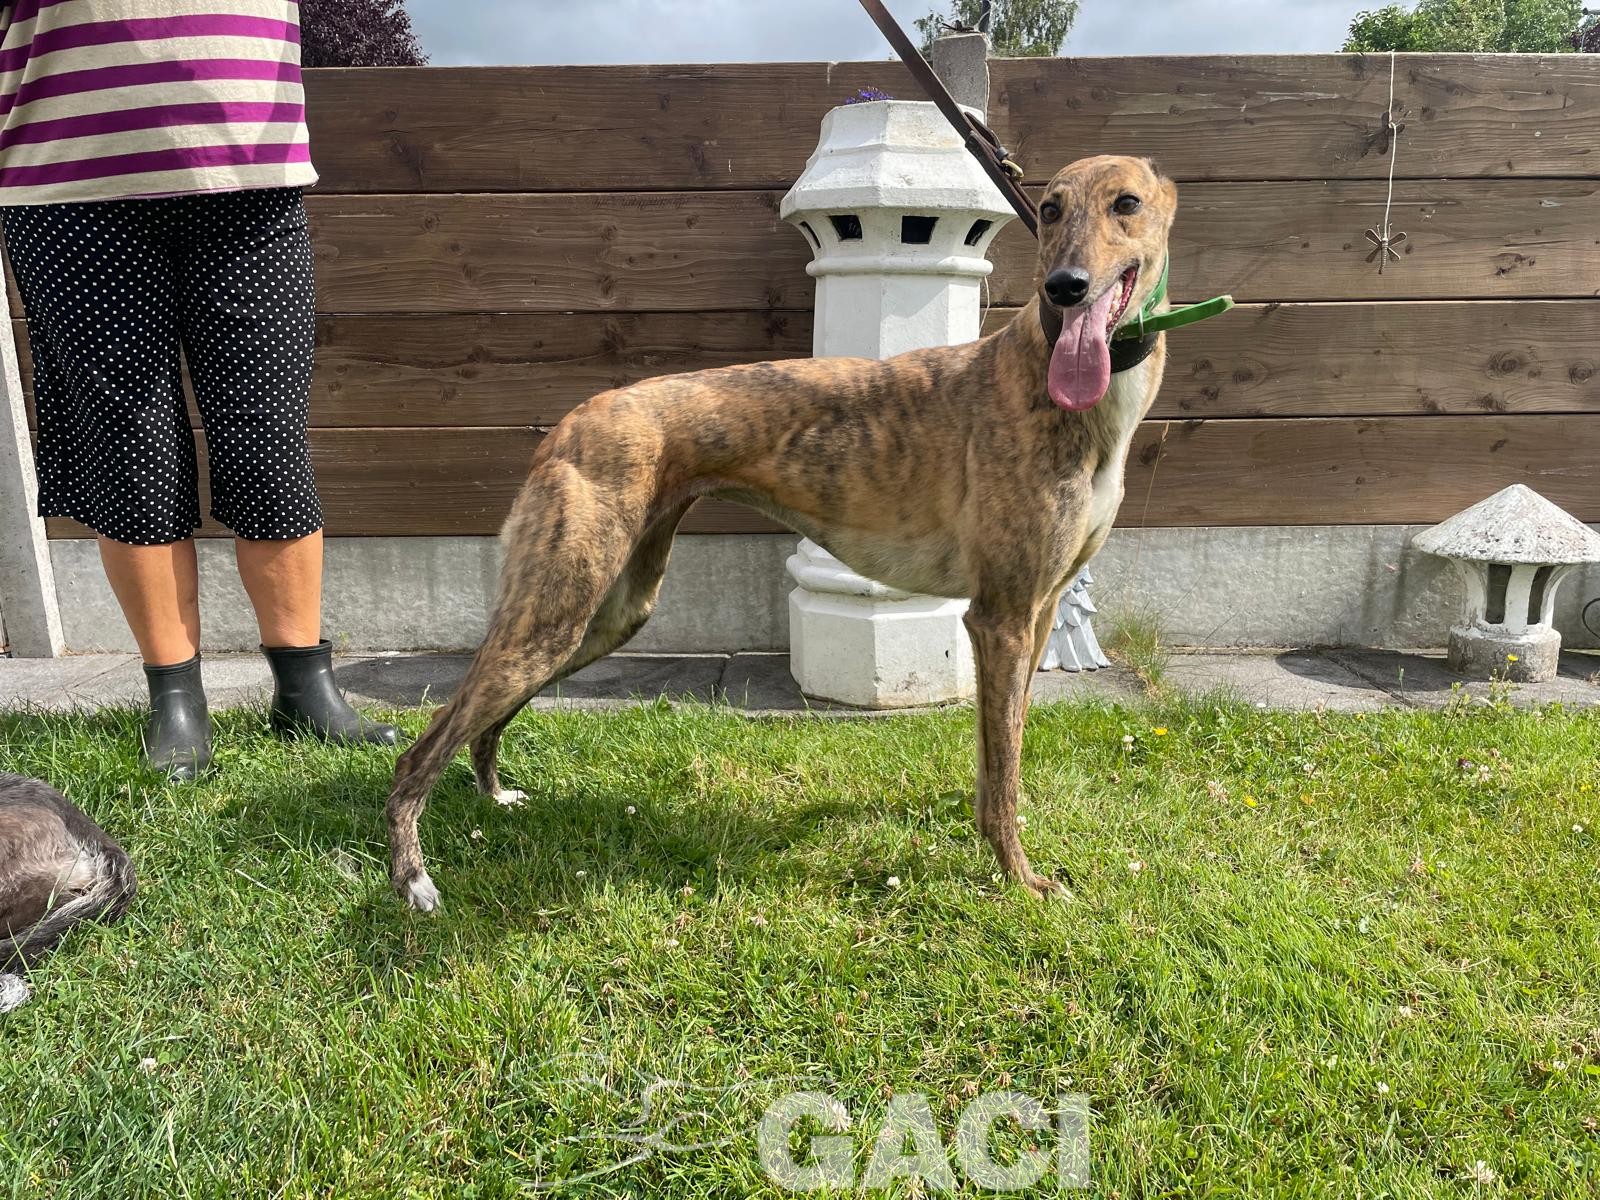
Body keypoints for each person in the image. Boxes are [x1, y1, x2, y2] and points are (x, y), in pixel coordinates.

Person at [0, 1, 396, 779]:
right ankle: (175, 699)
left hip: (249, 166)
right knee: (130, 449)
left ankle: (304, 688)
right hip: (67, 174)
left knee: (268, 441)